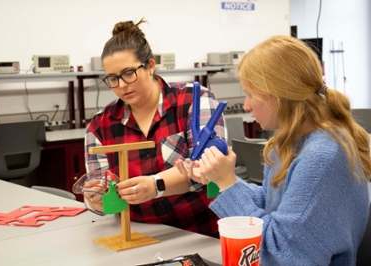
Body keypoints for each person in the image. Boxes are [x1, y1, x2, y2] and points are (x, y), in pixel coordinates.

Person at [176, 35, 371, 265]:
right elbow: (272, 203)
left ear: (278, 96)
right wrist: (221, 180)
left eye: (250, 94)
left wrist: (229, 185)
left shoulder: (322, 159)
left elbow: (282, 256)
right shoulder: (291, 144)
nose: (246, 105)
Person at [83, 18, 227, 238]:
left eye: (128, 73)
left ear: (150, 66)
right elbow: (105, 203)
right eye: (112, 79)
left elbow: (211, 169)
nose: (121, 85)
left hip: (200, 232)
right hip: (140, 236)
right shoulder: (99, 126)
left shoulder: (194, 101)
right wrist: (97, 199)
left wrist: (156, 185)